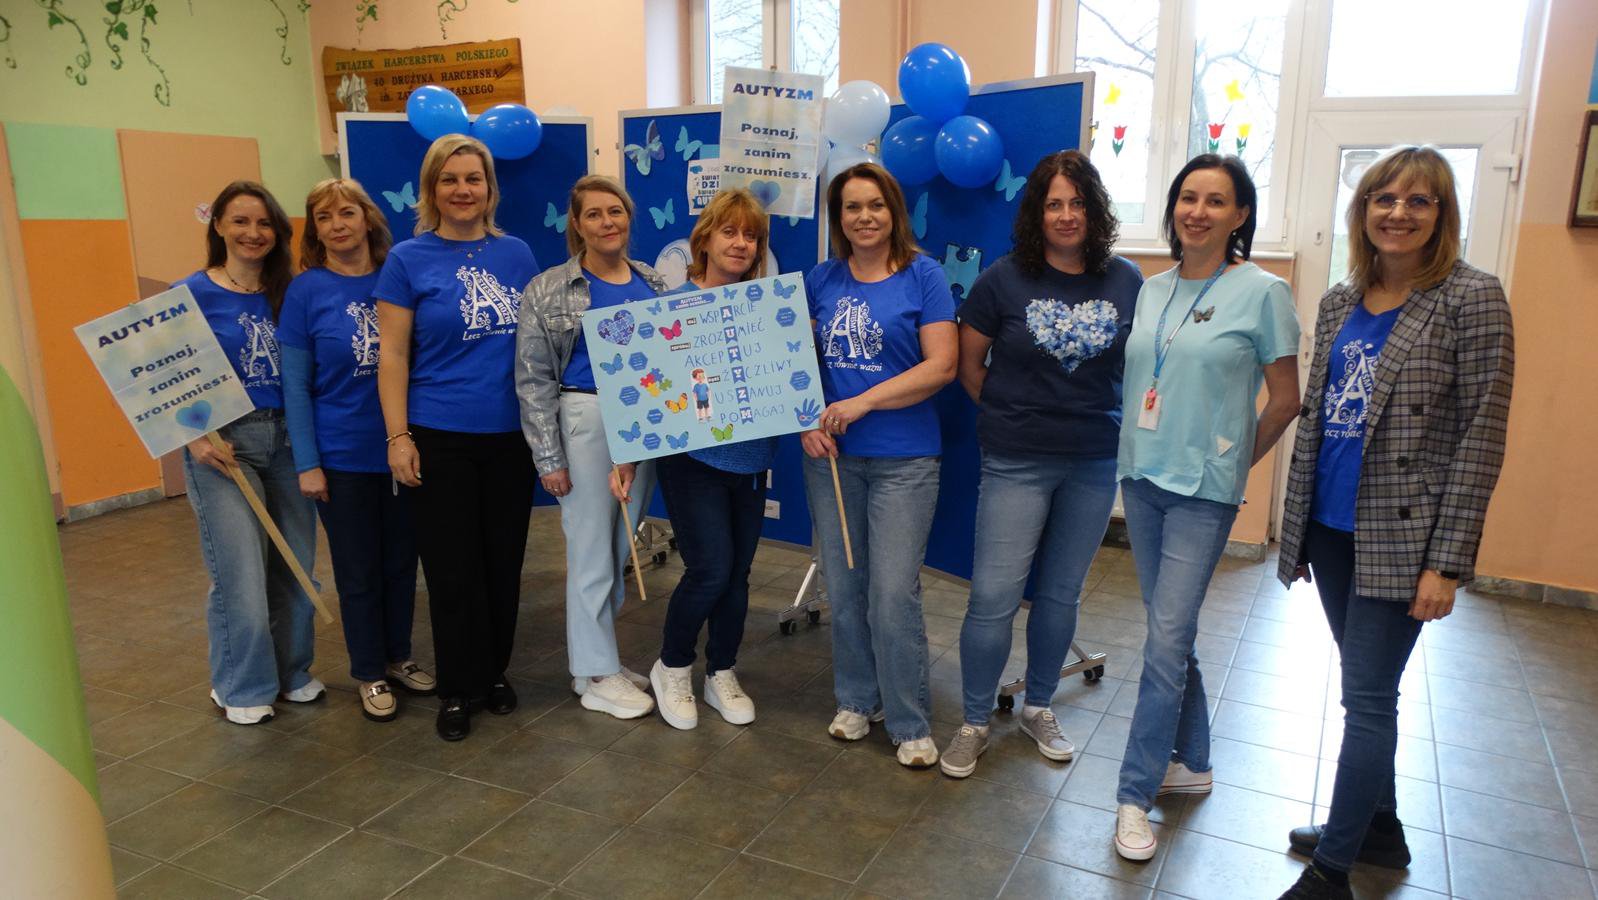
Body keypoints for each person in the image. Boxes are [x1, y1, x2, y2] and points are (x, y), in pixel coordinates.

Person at [1273, 147, 1514, 900]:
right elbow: (1318, 423)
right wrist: (1297, 529)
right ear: (1363, 210)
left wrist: (1447, 563)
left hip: (1404, 538)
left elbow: (1481, 437)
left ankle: (1332, 871)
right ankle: (1379, 828)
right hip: (1331, 526)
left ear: (1442, 213)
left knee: (1369, 698)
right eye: (1384, 198)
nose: (1398, 213)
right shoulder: (1340, 301)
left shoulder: (1471, 297)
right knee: (1364, 684)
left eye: (1418, 200)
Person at [1112, 155, 1302, 860]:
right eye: (1188, 198)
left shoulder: (1264, 292)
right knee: (1172, 632)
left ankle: (1134, 795)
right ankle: (1191, 760)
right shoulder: (1151, 289)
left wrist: (1231, 462)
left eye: (1216, 201)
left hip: (1202, 493)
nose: (1198, 211)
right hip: (1142, 478)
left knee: (1163, 642)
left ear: (1240, 215)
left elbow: (1286, 399)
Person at [940, 151, 1143, 778]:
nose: (1066, 215)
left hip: (1093, 461)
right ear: (1036, 212)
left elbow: (1139, 369)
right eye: (1054, 204)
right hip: (1016, 461)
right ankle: (974, 721)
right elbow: (968, 366)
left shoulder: (1127, 280)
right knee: (994, 596)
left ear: (1095, 210)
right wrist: (1014, 415)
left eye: (1077, 203)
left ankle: (1039, 706)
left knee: (1060, 594)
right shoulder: (1002, 280)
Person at [375, 135, 540, 741]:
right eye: (450, 179)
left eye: (473, 179)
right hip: (438, 434)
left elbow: (538, 344)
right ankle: (457, 687)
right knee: (451, 571)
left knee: (502, 564)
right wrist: (398, 436)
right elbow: (392, 355)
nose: (463, 190)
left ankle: (493, 672)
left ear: (490, 189)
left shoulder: (518, 254)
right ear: (431, 189)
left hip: (510, 437)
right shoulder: (407, 259)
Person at [801, 162, 958, 768]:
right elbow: (792, 366)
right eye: (851, 207)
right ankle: (856, 699)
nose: (864, 217)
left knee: (892, 595)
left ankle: (909, 719)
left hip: (905, 461)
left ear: (894, 211)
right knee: (844, 587)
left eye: (875, 205)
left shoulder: (924, 275)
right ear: (838, 218)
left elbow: (941, 366)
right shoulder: (820, 279)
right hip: (834, 462)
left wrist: (863, 401)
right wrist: (806, 422)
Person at [608, 189, 774, 731]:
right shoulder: (669, 307)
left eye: (750, 235)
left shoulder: (766, 309)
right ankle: (673, 665)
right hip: (692, 459)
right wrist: (627, 457)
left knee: (738, 575)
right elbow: (644, 391)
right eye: (730, 231)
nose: (740, 243)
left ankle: (721, 670)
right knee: (710, 570)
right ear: (704, 239)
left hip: (751, 460)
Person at [279, 177, 433, 724]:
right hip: (342, 456)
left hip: (405, 449)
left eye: (346, 213)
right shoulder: (306, 292)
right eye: (323, 218)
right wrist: (308, 464)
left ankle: (397, 656)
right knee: (359, 570)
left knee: (401, 564)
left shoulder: (399, 273)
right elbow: (295, 385)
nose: (337, 225)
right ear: (315, 231)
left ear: (367, 218)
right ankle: (369, 670)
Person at [516, 174, 666, 721]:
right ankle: (597, 674)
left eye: (615, 211)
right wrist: (549, 457)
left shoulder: (651, 280)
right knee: (590, 551)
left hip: (643, 422)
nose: (607, 222)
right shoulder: (550, 288)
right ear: (576, 225)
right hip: (587, 417)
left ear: (629, 216)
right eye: (595, 214)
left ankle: (594, 661)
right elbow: (532, 378)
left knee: (619, 547)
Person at [177, 180, 321, 726]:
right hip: (225, 446)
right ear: (218, 225)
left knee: (296, 568)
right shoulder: (189, 294)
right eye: (240, 221)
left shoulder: (292, 293)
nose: (253, 233)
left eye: (264, 223)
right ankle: (241, 684)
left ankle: (291, 671)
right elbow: (162, 382)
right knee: (240, 572)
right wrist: (195, 438)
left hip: (290, 440)